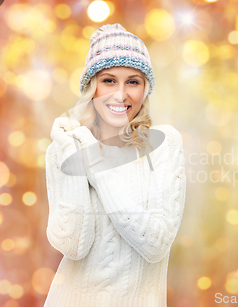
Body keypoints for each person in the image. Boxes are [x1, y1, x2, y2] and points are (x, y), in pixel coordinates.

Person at [43, 23, 187, 307]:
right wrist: (73, 152)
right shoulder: (64, 148)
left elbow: (155, 243)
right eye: (109, 80)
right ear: (92, 87)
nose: (121, 95)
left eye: (133, 81)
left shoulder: (164, 144)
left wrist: (95, 165)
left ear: (145, 89)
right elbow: (73, 245)